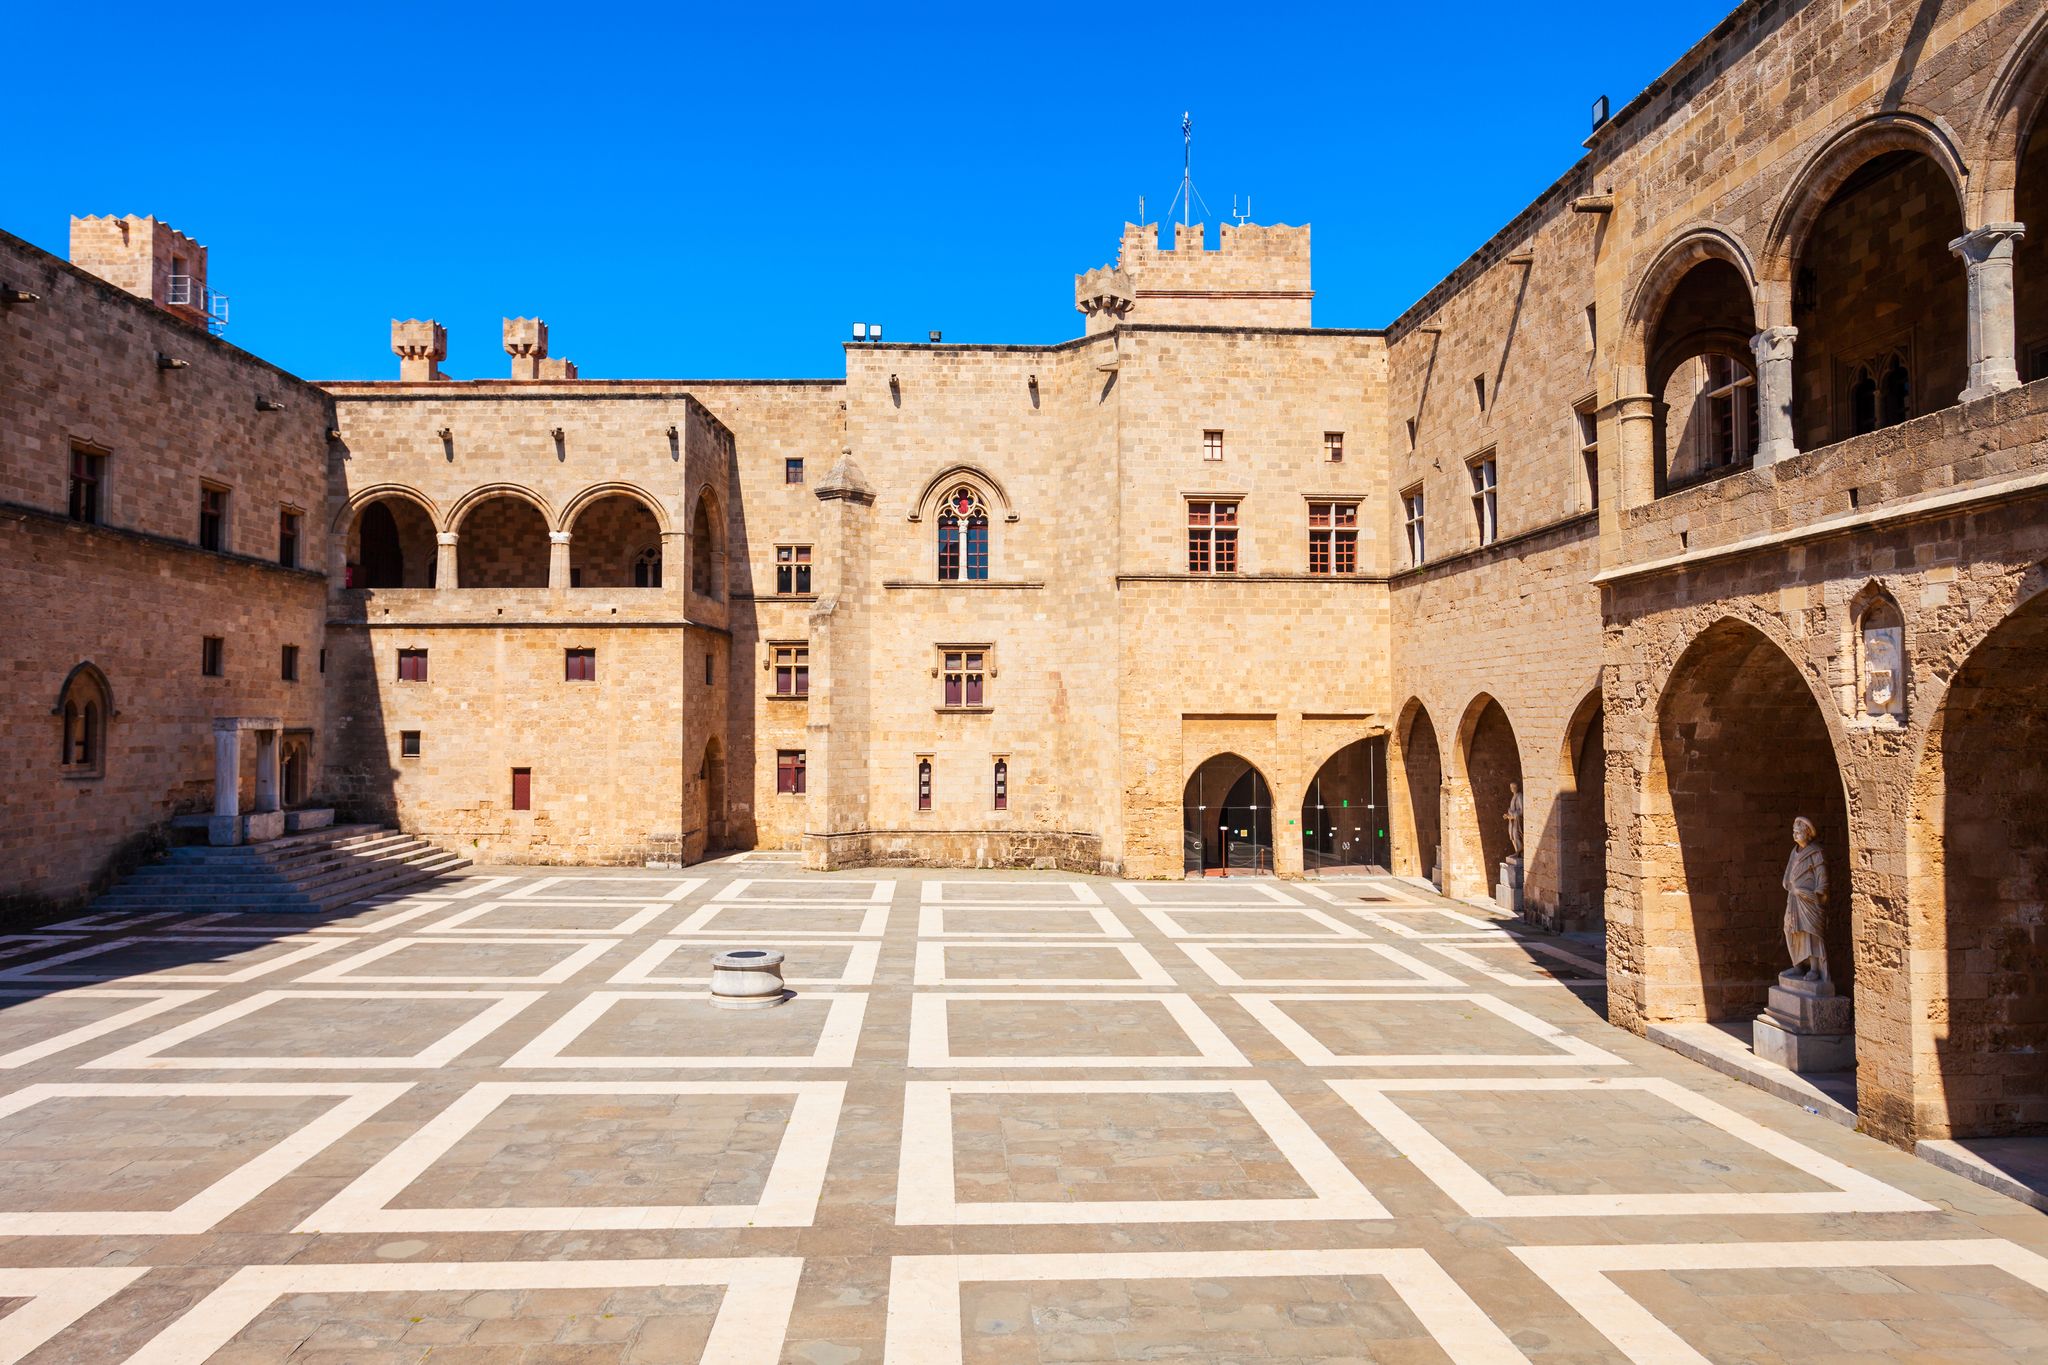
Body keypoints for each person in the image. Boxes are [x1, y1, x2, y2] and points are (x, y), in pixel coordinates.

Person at [1782, 816, 1829, 982]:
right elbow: (1789, 870)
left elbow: (1822, 876)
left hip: (1808, 899)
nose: (1795, 835)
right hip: (1794, 898)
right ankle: (1798, 965)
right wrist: (1787, 882)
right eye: (1793, 832)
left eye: (1798, 832)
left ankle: (1815, 968)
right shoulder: (1794, 852)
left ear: (1807, 833)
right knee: (1790, 929)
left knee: (1810, 932)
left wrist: (1818, 894)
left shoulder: (1816, 852)